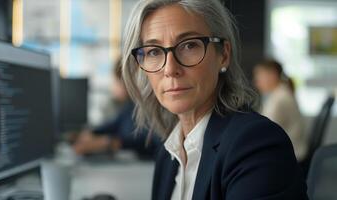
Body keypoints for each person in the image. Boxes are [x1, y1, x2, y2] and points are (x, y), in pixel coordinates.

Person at [121, 0, 308, 199]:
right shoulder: (168, 155)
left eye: (189, 45)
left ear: (224, 55)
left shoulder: (257, 144)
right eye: (154, 51)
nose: (170, 69)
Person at [73, 58, 161, 159]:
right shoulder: (131, 106)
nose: (113, 85)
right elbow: (113, 125)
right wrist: (90, 133)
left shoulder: (151, 107)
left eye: (116, 80)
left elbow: (148, 141)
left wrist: (109, 143)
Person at [253, 59, 307, 161]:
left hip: (290, 154)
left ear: (272, 75)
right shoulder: (280, 93)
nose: (256, 80)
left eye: (259, 75)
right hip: (289, 150)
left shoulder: (279, 99)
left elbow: (265, 131)